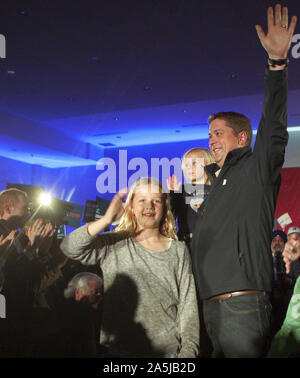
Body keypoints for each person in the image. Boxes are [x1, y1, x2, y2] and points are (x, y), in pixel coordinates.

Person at [191, 4, 297, 357]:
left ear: (242, 138)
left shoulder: (255, 168)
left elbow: (274, 127)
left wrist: (277, 65)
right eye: (209, 135)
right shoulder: (209, 186)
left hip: (242, 308)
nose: (211, 140)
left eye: (219, 133)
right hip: (208, 308)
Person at [60, 177, 199, 358]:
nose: (149, 206)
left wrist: (188, 352)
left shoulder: (179, 250)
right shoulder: (113, 243)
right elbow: (69, 248)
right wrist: (106, 219)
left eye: (156, 201)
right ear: (131, 206)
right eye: (142, 200)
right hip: (120, 352)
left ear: (164, 207)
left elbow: (188, 306)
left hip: (168, 352)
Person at [34, 272, 103, 357]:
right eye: (95, 291)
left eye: (100, 292)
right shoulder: (79, 320)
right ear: (78, 292)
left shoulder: (89, 317)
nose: (100, 295)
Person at [167, 148, 214, 249]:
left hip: (212, 245)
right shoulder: (182, 191)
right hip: (186, 245)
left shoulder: (217, 190)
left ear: (208, 164)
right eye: (186, 165)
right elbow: (169, 215)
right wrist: (173, 194)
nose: (189, 167)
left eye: (194, 163)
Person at [270, 230, 293, 338]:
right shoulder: (264, 259)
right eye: (274, 240)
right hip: (269, 303)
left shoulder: (292, 260)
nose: (277, 243)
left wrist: (290, 280)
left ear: (284, 244)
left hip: (287, 303)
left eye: (280, 240)